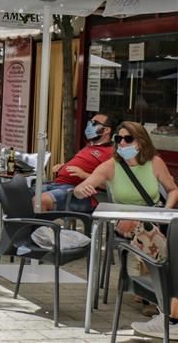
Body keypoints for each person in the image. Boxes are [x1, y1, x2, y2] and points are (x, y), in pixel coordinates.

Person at [72, 122, 178, 339]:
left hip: (156, 220)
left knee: (165, 245)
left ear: (141, 142)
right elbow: (79, 190)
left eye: (127, 139)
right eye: (118, 139)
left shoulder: (154, 163)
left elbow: (173, 190)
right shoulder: (110, 166)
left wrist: (164, 212)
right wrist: (82, 189)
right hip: (126, 223)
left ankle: (170, 313)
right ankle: (169, 315)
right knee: (153, 241)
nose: (121, 143)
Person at [36, 113, 117, 212]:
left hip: (79, 193)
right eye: (89, 122)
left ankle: (40, 227)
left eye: (94, 123)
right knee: (21, 196)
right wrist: (64, 166)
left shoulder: (110, 152)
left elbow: (112, 185)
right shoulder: (90, 146)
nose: (89, 125)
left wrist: (84, 175)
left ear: (106, 130)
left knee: (39, 201)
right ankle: (27, 227)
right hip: (58, 184)